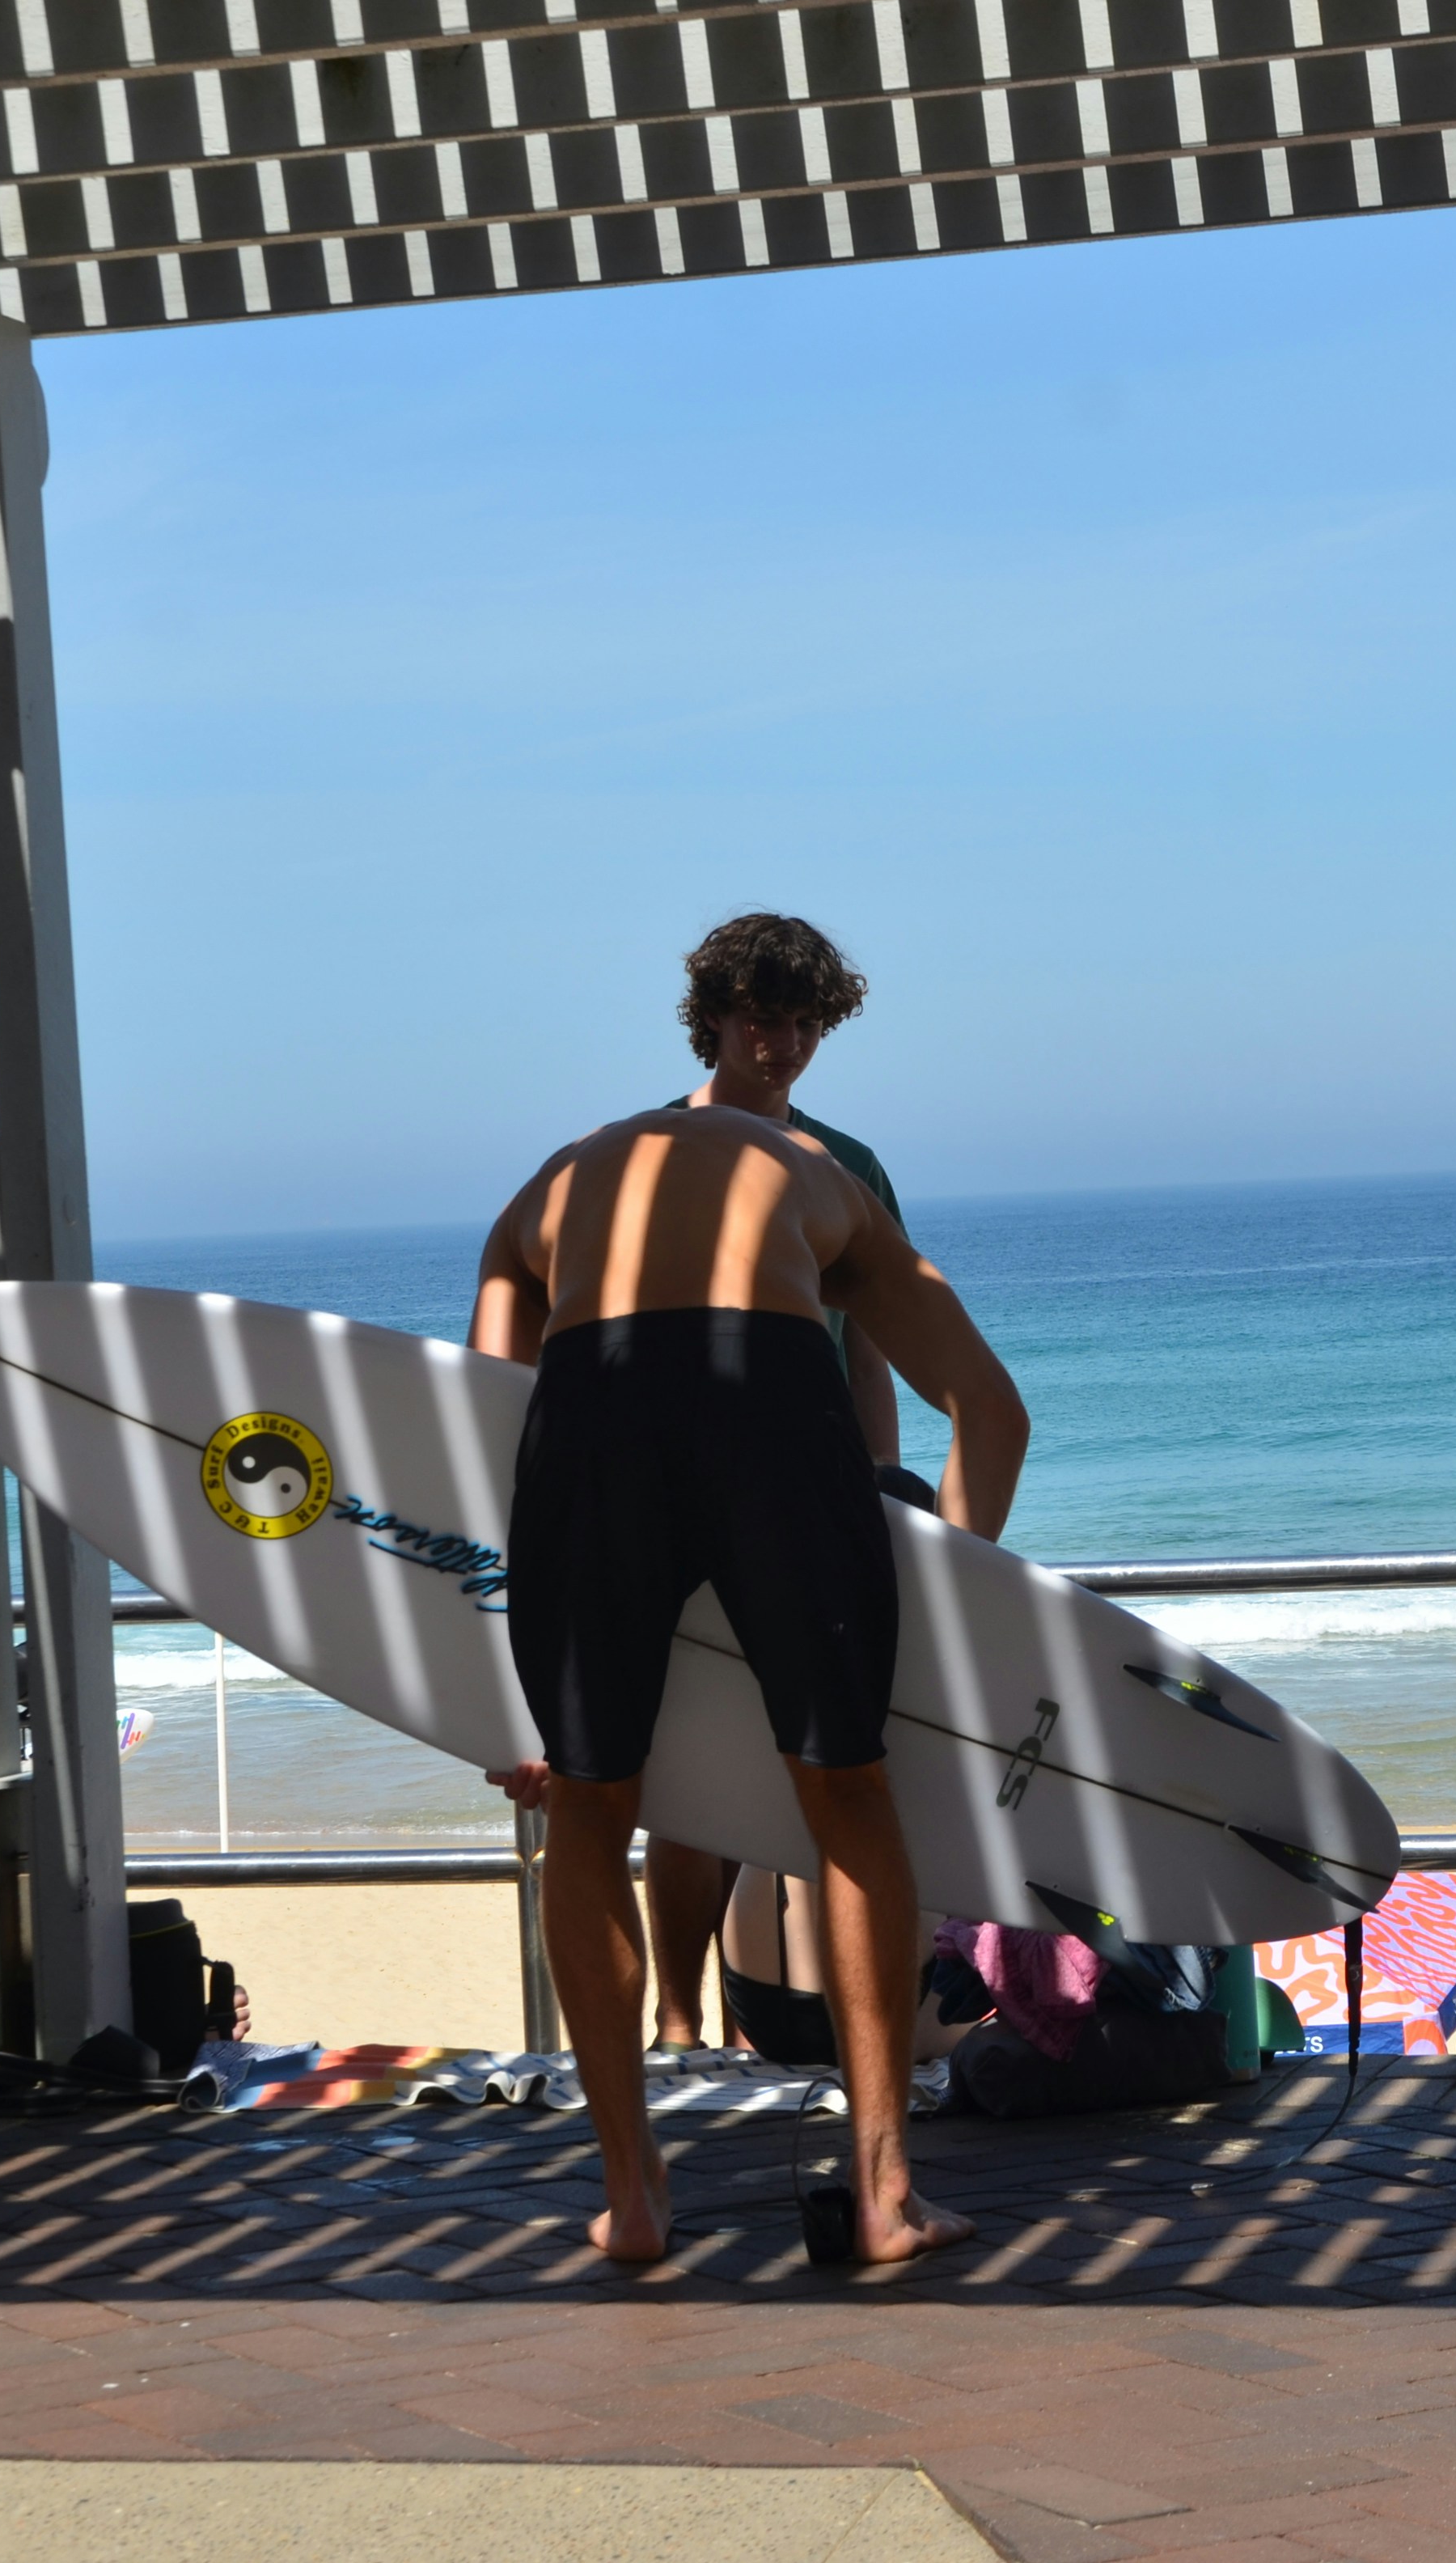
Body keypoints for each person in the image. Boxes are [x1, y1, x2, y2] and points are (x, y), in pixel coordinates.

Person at [470, 1091, 1031, 2264]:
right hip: (767, 1403)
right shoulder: (825, 1185)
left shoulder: (546, 1192)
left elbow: (481, 1428)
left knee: (588, 1804)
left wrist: (502, 1694)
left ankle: (632, 2195)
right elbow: (990, 1411)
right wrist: (950, 1598)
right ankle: (882, 2194)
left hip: (590, 1409)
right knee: (848, 1793)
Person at [640, 913, 930, 2053]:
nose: (787, 1044)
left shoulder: (847, 1164)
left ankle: (811, 2028)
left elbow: (870, 1347)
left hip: (812, 1506)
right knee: (688, 1779)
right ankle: (678, 2024)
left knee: (831, 1774)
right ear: (713, 1016)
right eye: (765, 1019)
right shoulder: (646, 1152)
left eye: (807, 1022)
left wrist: (880, 1489)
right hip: (674, 1503)